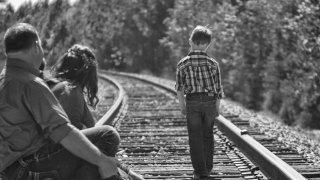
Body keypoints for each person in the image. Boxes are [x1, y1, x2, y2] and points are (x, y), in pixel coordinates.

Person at [0, 23, 121, 180]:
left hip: (9, 170)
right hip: (28, 168)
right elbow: (63, 132)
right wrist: (103, 161)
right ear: (36, 46)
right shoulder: (30, 83)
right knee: (107, 135)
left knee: (89, 154)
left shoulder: (4, 80)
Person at [175, 25, 224, 179]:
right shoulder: (213, 63)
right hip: (210, 102)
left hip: (192, 102)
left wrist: (182, 105)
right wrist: (217, 107)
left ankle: (199, 172)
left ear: (191, 41)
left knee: (195, 137)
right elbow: (218, 89)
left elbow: (179, 88)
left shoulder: (183, 63)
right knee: (208, 135)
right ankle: (208, 168)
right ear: (207, 44)